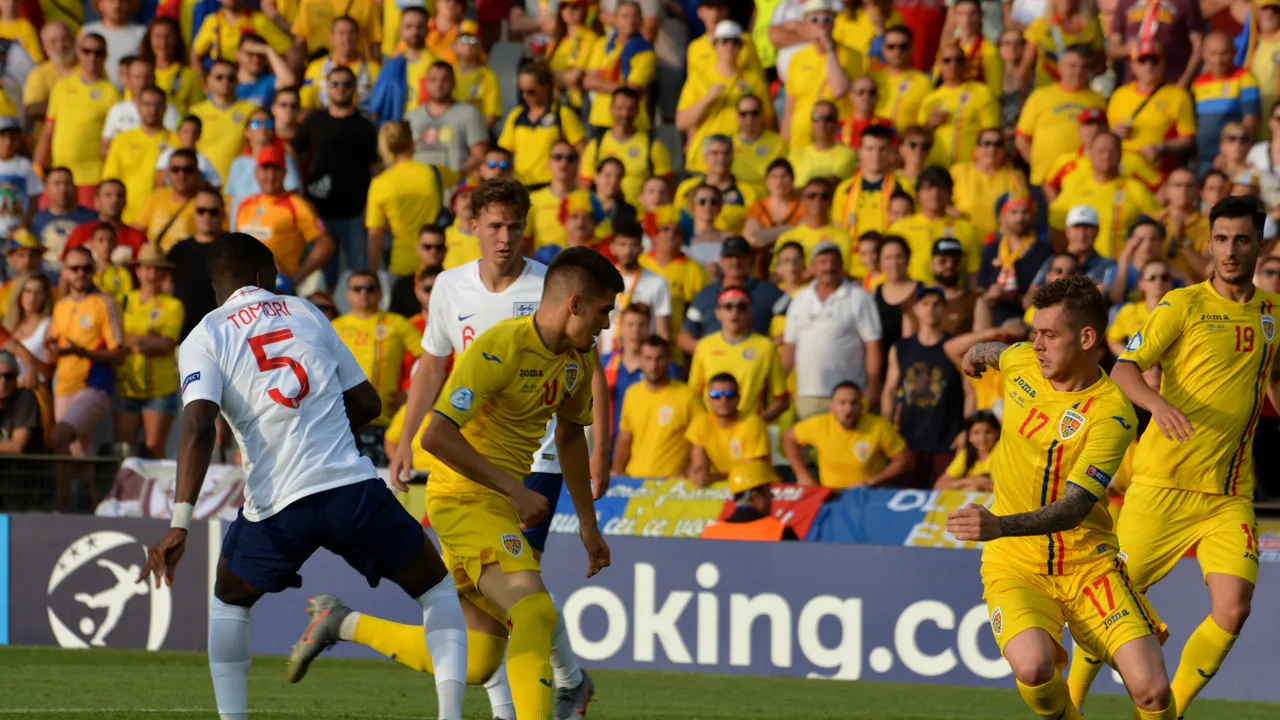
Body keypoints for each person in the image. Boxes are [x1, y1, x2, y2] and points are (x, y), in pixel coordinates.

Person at [138, 232, 470, 720]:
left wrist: (179, 523)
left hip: (279, 503)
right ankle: (451, 715)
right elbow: (369, 404)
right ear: (260, 277)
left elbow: (195, 427)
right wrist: (320, 427)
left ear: (217, 286)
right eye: (274, 274)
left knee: (230, 599)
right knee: (436, 587)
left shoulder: (203, 337)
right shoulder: (307, 312)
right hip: (350, 490)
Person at [297, 245, 619, 720]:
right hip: (464, 497)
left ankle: (341, 622)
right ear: (574, 304)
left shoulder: (577, 359)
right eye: (603, 311)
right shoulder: (500, 348)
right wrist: (513, 488)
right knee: (534, 611)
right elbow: (438, 435)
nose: (606, 325)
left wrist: (588, 526)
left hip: (498, 505)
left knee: (478, 658)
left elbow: (571, 437)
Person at [1065, 196, 1274, 716]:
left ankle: (1169, 711)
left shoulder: (1273, 312)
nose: (1230, 250)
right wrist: (1158, 406)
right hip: (1161, 488)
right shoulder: (1182, 304)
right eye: (1221, 239)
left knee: (1234, 608)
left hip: (1228, 495)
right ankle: (1068, 702)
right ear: (1208, 243)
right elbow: (1124, 368)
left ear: (1261, 245)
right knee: (1112, 600)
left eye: (1242, 240)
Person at [946, 273, 1174, 720]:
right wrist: (976, 355)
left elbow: (1073, 508)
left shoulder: (1112, 413)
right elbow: (995, 353)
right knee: (1032, 666)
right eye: (1035, 332)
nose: (1037, 344)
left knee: (1153, 692)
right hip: (1015, 562)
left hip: (1088, 564)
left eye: (1050, 334)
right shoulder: (1023, 362)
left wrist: (997, 526)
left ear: (1087, 337)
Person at [48, 246, 125, 508]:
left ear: (94, 270)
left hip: (93, 384)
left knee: (60, 437)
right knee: (79, 452)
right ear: (65, 272)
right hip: (64, 385)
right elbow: (54, 347)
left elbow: (119, 352)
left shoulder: (104, 303)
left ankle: (60, 507)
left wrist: (82, 352)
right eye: (74, 268)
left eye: (86, 268)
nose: (80, 273)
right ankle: (95, 510)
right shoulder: (60, 305)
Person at [292, 64, 379, 291]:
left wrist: (369, 207)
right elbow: (293, 151)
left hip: (355, 214)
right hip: (318, 212)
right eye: (335, 84)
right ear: (327, 88)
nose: (340, 89)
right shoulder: (314, 121)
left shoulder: (365, 125)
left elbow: (376, 168)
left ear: (355, 89)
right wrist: (298, 191)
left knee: (359, 277)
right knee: (321, 280)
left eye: (346, 84)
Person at [783, 241, 884, 419]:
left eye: (833, 262)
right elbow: (789, 346)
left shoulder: (860, 297)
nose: (828, 267)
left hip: (849, 396)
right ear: (812, 267)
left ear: (842, 265)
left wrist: (874, 387)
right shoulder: (800, 299)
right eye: (822, 262)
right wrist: (779, 386)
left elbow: (873, 345)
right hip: (808, 394)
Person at [331, 270, 422, 467]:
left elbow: (430, 359)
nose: (364, 293)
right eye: (357, 288)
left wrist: (410, 394)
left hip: (384, 422)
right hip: (343, 423)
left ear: (381, 293)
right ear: (348, 294)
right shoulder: (334, 327)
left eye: (370, 288)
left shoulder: (396, 323)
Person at [883, 285, 969, 485]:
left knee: (946, 500)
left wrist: (966, 430)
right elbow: (889, 390)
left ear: (945, 308)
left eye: (937, 304)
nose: (931, 309)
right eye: (925, 304)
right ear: (916, 308)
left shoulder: (954, 347)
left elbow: (970, 391)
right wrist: (886, 428)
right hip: (909, 438)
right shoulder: (901, 348)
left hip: (947, 439)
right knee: (905, 500)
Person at [113, 244, 182, 460]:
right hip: (126, 385)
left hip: (160, 388)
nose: (151, 274)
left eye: (157, 268)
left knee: (154, 448)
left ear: (163, 273)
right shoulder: (123, 300)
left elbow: (165, 345)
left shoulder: (173, 305)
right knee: (125, 450)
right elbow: (114, 339)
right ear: (138, 270)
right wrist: (147, 339)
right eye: (146, 267)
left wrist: (129, 340)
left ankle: (156, 494)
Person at [34, 32, 119, 207]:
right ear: (78, 53)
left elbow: (115, 142)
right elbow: (48, 131)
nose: (92, 57)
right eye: (86, 51)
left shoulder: (112, 93)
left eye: (98, 52)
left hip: (93, 176)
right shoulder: (62, 86)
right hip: (59, 174)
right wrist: (37, 166)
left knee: (87, 226)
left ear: (106, 56)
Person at [676, 19, 771, 175]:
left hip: (742, 158)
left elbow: (768, 121)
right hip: (705, 157)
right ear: (715, 45)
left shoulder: (754, 80)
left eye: (735, 42)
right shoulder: (698, 78)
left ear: (741, 47)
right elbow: (681, 122)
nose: (729, 46)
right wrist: (707, 99)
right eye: (724, 41)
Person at [783, 380, 913, 489]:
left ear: (862, 407)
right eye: (842, 403)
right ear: (832, 407)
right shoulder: (819, 425)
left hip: (867, 494)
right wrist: (803, 476)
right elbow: (788, 438)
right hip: (831, 495)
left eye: (854, 403)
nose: (848, 409)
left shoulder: (878, 426)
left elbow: (904, 461)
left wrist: (872, 481)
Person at [1048, 131, 1159, 259]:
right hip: (1082, 270)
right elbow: (1056, 231)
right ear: (1090, 154)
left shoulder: (1136, 189)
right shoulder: (1075, 186)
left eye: (1112, 151)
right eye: (1101, 151)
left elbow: (1158, 224)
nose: (1106, 156)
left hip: (1121, 269)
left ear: (1121, 154)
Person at [236, 146, 334, 289]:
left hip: (278, 286)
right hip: (244, 285)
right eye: (265, 169)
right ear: (256, 172)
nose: (270, 176)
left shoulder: (296, 204)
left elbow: (325, 244)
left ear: (285, 173)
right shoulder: (245, 204)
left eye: (276, 169)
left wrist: (297, 277)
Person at [1015, 45, 1106, 196]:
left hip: (1083, 181)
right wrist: (1039, 166)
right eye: (1072, 65)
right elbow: (1021, 139)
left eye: (1083, 67)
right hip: (1043, 181)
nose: (1078, 71)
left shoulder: (1099, 101)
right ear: (1061, 67)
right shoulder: (1040, 96)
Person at [688, 287, 789, 421]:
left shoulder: (765, 347)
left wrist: (756, 423)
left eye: (741, 307)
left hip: (748, 432)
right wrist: (706, 424)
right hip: (713, 431)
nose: (734, 312)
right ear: (718, 313)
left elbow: (782, 399)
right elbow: (694, 394)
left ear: (749, 313)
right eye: (728, 306)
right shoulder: (704, 346)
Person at [680, 236, 788, 356]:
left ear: (749, 259)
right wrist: (710, 352)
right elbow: (685, 338)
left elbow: (799, 317)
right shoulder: (705, 295)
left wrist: (771, 344)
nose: (735, 261)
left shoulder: (768, 292)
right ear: (721, 260)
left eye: (740, 256)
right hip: (715, 366)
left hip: (751, 363)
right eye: (729, 256)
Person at [612, 334, 701, 478]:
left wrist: (690, 472)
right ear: (640, 360)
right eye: (648, 359)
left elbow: (702, 440)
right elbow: (624, 438)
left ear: (669, 360)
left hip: (672, 484)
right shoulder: (632, 393)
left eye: (659, 359)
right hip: (635, 481)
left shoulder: (688, 396)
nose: (653, 365)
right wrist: (617, 472)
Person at [1107, 41, 1196, 185]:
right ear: (1132, 65)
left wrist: (1161, 147)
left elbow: (1188, 139)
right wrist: (1114, 132)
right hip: (1122, 171)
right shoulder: (1119, 95)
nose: (1149, 66)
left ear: (1162, 63)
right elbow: (1107, 135)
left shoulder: (1178, 95)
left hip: (1155, 174)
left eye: (1154, 60)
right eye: (1142, 61)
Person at [366, 121, 443, 277]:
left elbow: (374, 236)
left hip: (402, 262)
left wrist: (372, 273)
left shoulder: (380, 183)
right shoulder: (432, 173)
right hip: (436, 258)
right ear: (412, 143)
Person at [783, 0, 859, 153]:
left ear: (833, 24)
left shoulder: (853, 55)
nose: (821, 24)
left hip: (836, 140)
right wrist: (785, 141)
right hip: (801, 141)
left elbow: (840, 89)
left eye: (827, 19)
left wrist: (830, 50)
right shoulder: (797, 58)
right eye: (814, 20)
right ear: (806, 25)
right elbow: (790, 107)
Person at [496, 61, 586, 188]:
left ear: (546, 87)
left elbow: (582, 150)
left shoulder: (562, 113)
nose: (525, 96)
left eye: (531, 91)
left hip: (553, 186)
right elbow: (504, 152)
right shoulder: (516, 115)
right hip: (521, 185)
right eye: (522, 91)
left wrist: (579, 181)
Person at [101, 85, 177, 226]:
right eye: (147, 104)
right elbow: (111, 180)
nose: (153, 110)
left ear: (166, 108)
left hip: (163, 217)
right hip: (127, 217)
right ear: (137, 107)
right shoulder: (122, 139)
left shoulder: (175, 141)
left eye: (158, 104)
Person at [582, 87, 672, 204]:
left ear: (637, 110)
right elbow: (584, 186)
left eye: (630, 108)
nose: (625, 114)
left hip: (640, 216)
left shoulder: (653, 146)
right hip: (604, 214)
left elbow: (667, 188)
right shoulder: (596, 145)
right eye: (620, 108)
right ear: (611, 109)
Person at [888, 167, 979, 282]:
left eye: (941, 188)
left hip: (950, 296)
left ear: (950, 193)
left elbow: (973, 273)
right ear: (918, 194)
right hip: (910, 295)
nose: (935, 193)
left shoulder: (965, 228)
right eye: (928, 188)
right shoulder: (898, 229)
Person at [640, 205, 711, 349]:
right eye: (665, 229)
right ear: (654, 234)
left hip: (673, 350)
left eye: (676, 231)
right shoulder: (640, 262)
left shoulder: (694, 269)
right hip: (635, 344)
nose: (671, 234)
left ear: (684, 237)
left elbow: (705, 307)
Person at [919, 42, 999, 167]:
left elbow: (992, 134)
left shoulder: (982, 93)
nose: (953, 65)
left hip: (971, 168)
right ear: (939, 65)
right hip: (937, 168)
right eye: (947, 60)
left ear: (966, 64)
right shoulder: (930, 98)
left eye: (958, 60)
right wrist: (929, 125)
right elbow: (918, 137)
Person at [685, 372, 772, 487]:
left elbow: (750, 473)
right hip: (721, 487)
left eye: (730, 395)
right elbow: (699, 466)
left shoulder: (753, 423)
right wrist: (699, 476)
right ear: (708, 400)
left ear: (738, 399)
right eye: (716, 395)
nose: (723, 400)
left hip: (757, 487)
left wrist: (714, 477)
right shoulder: (700, 423)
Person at [583, 0, 656, 138]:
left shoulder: (646, 52)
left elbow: (632, 90)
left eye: (634, 16)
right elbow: (587, 81)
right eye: (625, 16)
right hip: (601, 119)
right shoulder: (602, 44)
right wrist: (621, 85)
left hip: (634, 122)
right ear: (615, 19)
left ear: (641, 20)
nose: (630, 21)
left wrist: (599, 83)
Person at [1192, 32, 1260, 176]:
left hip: (1232, 160)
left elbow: (1251, 122)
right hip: (1203, 159)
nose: (1218, 60)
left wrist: (1228, 155)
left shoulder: (1245, 77)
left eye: (1224, 54)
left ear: (1234, 53)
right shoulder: (1198, 83)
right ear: (1204, 55)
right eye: (1213, 54)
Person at [599, 219, 671, 355]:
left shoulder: (658, 283)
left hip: (644, 362)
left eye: (633, 245)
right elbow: (597, 329)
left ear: (642, 248)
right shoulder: (602, 281)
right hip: (607, 360)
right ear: (612, 247)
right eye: (622, 244)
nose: (628, 251)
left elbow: (663, 332)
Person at [979, 198, 1054, 325]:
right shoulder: (991, 248)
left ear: (1032, 216)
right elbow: (981, 286)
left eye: (1025, 212)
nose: (1020, 218)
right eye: (1014, 212)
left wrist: (1006, 296)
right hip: (991, 316)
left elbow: (1033, 300)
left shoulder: (1043, 250)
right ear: (1002, 217)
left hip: (1027, 320)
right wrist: (988, 295)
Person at [406, 61, 487, 178]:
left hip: (455, 189)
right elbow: (404, 156)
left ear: (453, 83)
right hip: (418, 187)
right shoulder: (411, 117)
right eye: (433, 80)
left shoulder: (469, 113)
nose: (439, 85)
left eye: (445, 80)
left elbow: (479, 155)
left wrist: (454, 178)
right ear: (425, 83)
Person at [225, 108, 302, 225]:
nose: (262, 127)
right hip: (242, 231)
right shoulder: (237, 164)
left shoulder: (285, 161)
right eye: (256, 124)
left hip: (274, 228)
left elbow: (295, 197)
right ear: (246, 131)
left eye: (268, 123)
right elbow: (231, 202)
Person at [953, 128, 1031, 242]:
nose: (992, 149)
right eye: (986, 144)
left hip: (1001, 244)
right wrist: (949, 210)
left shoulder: (1015, 176)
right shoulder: (959, 171)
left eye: (998, 144)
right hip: (964, 242)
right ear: (977, 148)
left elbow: (1023, 211)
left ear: (1004, 149)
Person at [167, 189, 225, 341]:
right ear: (194, 214)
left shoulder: (234, 246)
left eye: (213, 211)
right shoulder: (179, 249)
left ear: (223, 214)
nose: (207, 216)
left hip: (223, 335)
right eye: (201, 211)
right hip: (184, 335)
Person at [188, 60, 258, 182]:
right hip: (203, 185)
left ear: (237, 81)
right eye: (219, 77)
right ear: (209, 80)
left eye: (231, 78)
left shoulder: (251, 111)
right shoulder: (195, 112)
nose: (225, 81)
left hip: (239, 183)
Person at [301, 16, 381, 113]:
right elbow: (305, 105)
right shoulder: (315, 68)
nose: (346, 38)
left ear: (358, 36)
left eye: (351, 33)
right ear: (332, 36)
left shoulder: (374, 69)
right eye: (341, 33)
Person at [700, 460, 795, 540]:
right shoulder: (779, 532)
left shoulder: (710, 534)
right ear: (755, 495)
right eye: (768, 490)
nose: (771, 495)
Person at [1019, 0, 1104, 89]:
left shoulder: (1091, 25)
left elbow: (1100, 63)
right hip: (1046, 89)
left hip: (1081, 90)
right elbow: (1026, 65)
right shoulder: (1040, 25)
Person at [101, 57, 181, 145]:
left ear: (154, 79)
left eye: (147, 77)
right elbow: (105, 147)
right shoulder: (117, 110)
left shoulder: (170, 111)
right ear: (129, 80)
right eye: (137, 77)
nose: (142, 82)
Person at [776, 178, 853, 268]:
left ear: (831, 202)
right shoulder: (786, 237)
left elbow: (842, 273)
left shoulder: (843, 237)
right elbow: (774, 275)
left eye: (824, 196)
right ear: (802, 202)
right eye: (812, 196)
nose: (818, 200)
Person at [1105, 259, 1174, 358]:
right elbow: (1113, 340)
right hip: (1140, 370)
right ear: (1141, 284)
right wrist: (1132, 362)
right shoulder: (1130, 311)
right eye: (1152, 277)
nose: (1159, 282)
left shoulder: (1180, 311)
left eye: (1164, 277)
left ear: (1170, 283)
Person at [29, 167, 95, 269]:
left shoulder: (92, 218)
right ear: (46, 188)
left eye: (67, 183)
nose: (63, 189)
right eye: (57, 184)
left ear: (75, 187)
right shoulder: (35, 220)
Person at [135, 149, 201, 251]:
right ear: (168, 173)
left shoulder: (205, 202)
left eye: (188, 170)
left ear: (197, 173)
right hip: (156, 262)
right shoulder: (156, 197)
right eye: (175, 169)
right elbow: (137, 231)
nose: (181, 175)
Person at [139, 17, 205, 117]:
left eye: (168, 36)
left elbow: (197, 112)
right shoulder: (140, 73)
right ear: (149, 40)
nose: (163, 42)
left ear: (177, 40)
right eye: (158, 37)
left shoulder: (190, 76)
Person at [871, 25, 930, 129]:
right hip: (873, 141)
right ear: (883, 49)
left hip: (904, 142)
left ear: (912, 48)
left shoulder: (923, 82)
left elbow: (924, 123)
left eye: (903, 47)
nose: (897, 51)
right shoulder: (872, 78)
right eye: (891, 46)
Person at [743, 158, 802, 262]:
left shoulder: (802, 206)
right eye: (774, 177)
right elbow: (751, 238)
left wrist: (766, 234)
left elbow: (805, 232)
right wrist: (788, 229)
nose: (779, 181)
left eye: (783, 176)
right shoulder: (758, 207)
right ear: (766, 181)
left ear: (792, 179)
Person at [789, 101, 856, 186]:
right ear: (811, 123)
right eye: (816, 117)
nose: (822, 123)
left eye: (828, 119)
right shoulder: (794, 156)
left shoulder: (849, 155)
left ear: (836, 124)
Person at [389, 226, 447, 317]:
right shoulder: (403, 285)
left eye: (439, 247)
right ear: (418, 250)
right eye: (427, 247)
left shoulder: (455, 284)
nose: (433, 252)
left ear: (445, 250)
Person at [933, 410, 999, 491]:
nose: (982, 438)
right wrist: (967, 481)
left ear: (997, 433)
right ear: (969, 437)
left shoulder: (1002, 451)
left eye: (988, 432)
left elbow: (1000, 487)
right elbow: (939, 485)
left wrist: (972, 486)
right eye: (976, 433)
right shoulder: (966, 454)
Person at [731, 94, 786, 187]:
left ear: (762, 115)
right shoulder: (727, 144)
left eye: (754, 113)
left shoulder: (778, 143)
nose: (749, 118)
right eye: (743, 114)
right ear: (737, 116)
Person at [0, 348, 42, 453]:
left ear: (16, 377)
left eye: (8, 376)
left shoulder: (25, 398)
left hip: (21, 468)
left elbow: (16, 447)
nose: (3, 382)